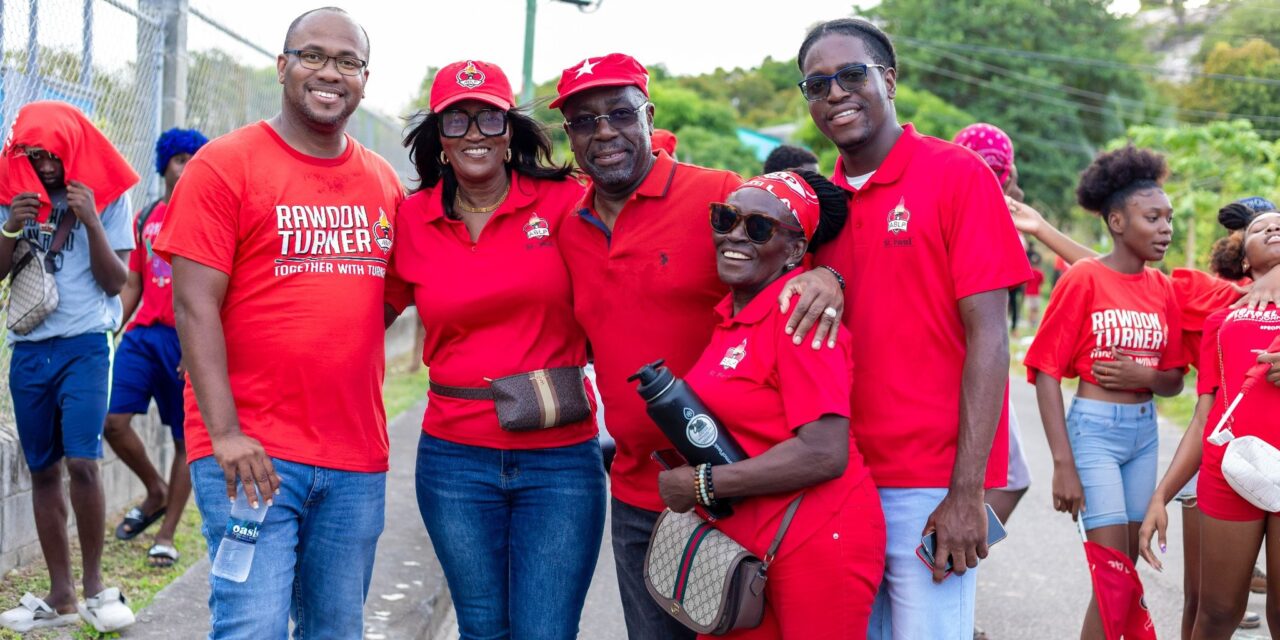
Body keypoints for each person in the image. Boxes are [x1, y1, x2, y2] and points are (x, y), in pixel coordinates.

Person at [551, 53, 845, 640]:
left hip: (735, 488)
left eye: (619, 113)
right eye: (584, 121)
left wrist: (829, 275)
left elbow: (796, 251)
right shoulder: (569, 224)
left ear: (648, 116)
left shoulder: (719, 195)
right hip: (637, 494)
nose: (603, 132)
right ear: (570, 135)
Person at [152, 8, 404, 637]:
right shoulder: (224, 165)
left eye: (347, 62)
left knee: (336, 629)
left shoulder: (382, 183)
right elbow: (193, 305)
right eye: (313, 55)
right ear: (283, 65)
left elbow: (384, 301)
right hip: (251, 454)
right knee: (252, 626)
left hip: (354, 457)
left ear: (365, 79)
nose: (330, 73)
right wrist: (226, 433)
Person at [797, 19, 1031, 638]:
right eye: (817, 84)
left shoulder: (957, 174)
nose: (835, 93)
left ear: (890, 80)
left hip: (928, 489)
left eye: (852, 75)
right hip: (838, 483)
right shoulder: (817, 206)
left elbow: (989, 338)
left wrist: (966, 492)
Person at [388, 59, 605, 639]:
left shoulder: (566, 201)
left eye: (488, 118)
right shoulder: (412, 218)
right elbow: (363, 315)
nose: (474, 134)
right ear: (438, 137)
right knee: (482, 630)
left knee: (546, 632)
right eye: (456, 121)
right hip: (454, 459)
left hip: (560, 457)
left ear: (510, 130)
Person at [657, 169, 885, 637]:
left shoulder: (799, 317)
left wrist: (702, 484)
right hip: (745, 545)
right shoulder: (732, 318)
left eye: (759, 227)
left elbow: (824, 453)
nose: (736, 235)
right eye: (726, 219)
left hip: (818, 539)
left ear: (796, 250)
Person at [1025, 146, 1188, 639]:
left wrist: (1145, 378)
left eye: (1169, 218)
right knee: (1113, 569)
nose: (1166, 228)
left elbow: (1175, 379)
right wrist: (1063, 464)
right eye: (1152, 218)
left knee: (1121, 571)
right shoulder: (1083, 278)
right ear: (1117, 222)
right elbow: (1045, 371)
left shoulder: (1163, 289)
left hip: (1144, 434)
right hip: (1094, 432)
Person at [0, 101, 138, 633]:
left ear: (73, 149)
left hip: (85, 344)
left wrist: (91, 219)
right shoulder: (14, 192)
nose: (45, 166)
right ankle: (59, 596)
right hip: (29, 348)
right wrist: (11, 227)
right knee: (41, 469)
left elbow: (115, 281)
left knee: (83, 462)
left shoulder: (109, 193)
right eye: (34, 155)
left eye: (53, 155)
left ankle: (95, 588)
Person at [1139, 209, 1280, 638]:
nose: (1273, 228)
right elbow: (1206, 415)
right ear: (1243, 259)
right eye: (1260, 228)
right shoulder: (1221, 319)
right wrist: (1161, 495)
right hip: (1228, 471)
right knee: (1217, 611)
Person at [105, 127, 208, 570]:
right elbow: (133, 282)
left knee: (185, 439)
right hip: (144, 336)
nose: (187, 167)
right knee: (113, 422)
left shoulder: (210, 216)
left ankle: (166, 535)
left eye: (195, 159)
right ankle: (156, 490)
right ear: (164, 165)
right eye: (180, 159)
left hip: (184, 341)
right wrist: (111, 328)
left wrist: (198, 346)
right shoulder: (147, 215)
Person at [950, 123, 1033, 530]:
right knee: (1012, 478)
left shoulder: (948, 203)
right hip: (978, 361)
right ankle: (951, 551)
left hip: (957, 355)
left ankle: (954, 546)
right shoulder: (987, 216)